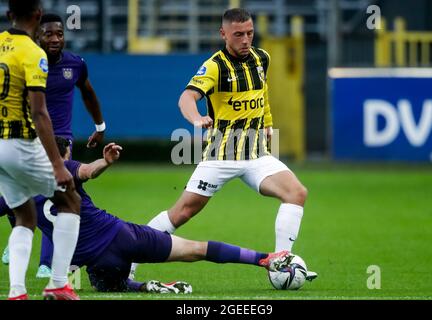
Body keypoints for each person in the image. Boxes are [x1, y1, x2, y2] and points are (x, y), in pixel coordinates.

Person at [130, 8, 316, 280]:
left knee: (296, 192)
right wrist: (196, 118)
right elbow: (186, 98)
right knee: (182, 213)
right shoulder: (215, 66)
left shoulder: (262, 58)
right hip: (221, 155)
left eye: (250, 33)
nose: (245, 39)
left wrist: (266, 124)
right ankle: (132, 257)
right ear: (223, 34)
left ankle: (281, 262)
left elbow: (262, 96)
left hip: (255, 155)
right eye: (238, 34)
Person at [0, 136, 294, 294]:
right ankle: (264, 259)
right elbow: (88, 171)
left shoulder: (16, 187)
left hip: (94, 262)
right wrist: (106, 160)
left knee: (107, 287)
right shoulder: (67, 169)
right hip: (121, 236)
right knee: (194, 249)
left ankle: (142, 286)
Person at [1, 13, 107, 279]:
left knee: (58, 195)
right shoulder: (26, 58)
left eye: (59, 34)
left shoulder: (75, 64)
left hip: (59, 138)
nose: (55, 39)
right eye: (48, 34)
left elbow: (88, 92)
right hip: (25, 135)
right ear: (38, 33)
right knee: (38, 195)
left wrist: (100, 126)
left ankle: (46, 263)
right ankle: (23, 236)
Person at [0, 0, 80, 300]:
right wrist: (58, 164)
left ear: (9, 15)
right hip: (21, 143)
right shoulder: (34, 53)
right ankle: (59, 283)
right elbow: (39, 113)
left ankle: (17, 292)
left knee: (24, 215)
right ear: (37, 15)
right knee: (70, 201)